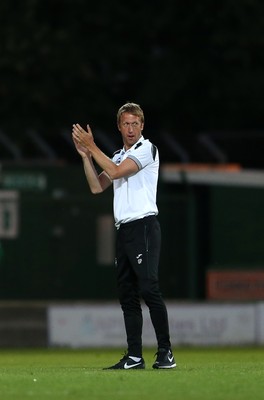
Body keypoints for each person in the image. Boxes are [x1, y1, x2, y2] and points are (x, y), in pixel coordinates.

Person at [72, 102, 176, 370]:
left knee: (149, 288)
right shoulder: (118, 155)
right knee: (127, 294)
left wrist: (93, 147)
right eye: (125, 124)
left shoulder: (146, 149)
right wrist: (85, 156)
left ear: (142, 125)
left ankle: (165, 352)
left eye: (134, 124)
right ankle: (134, 356)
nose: (130, 129)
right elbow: (97, 186)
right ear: (119, 127)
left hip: (143, 226)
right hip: (125, 230)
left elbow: (118, 172)